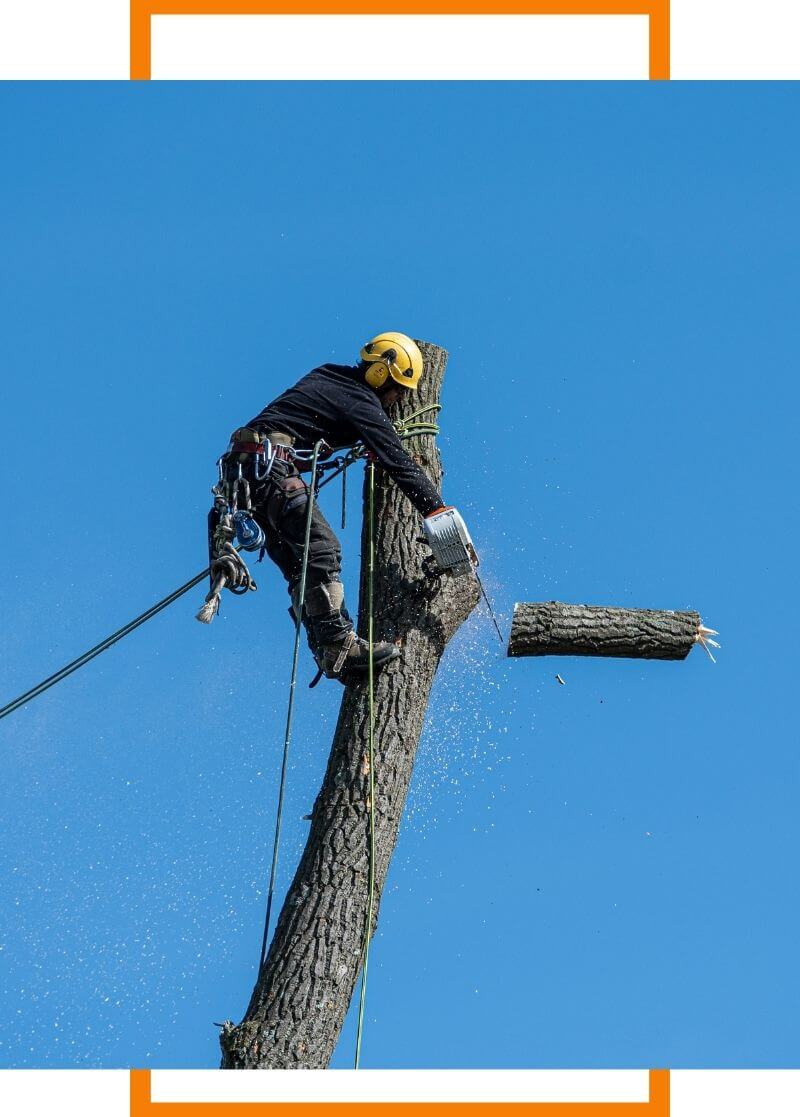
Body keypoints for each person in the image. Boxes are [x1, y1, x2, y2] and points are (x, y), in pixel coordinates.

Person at [217, 332, 455, 683]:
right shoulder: (360, 399)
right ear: (380, 376)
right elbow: (399, 462)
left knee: (303, 568)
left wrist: (363, 437)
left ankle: (329, 652)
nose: (396, 400)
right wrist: (438, 513)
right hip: (270, 472)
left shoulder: (330, 375)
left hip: (246, 480)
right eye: (398, 391)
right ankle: (339, 644)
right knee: (322, 549)